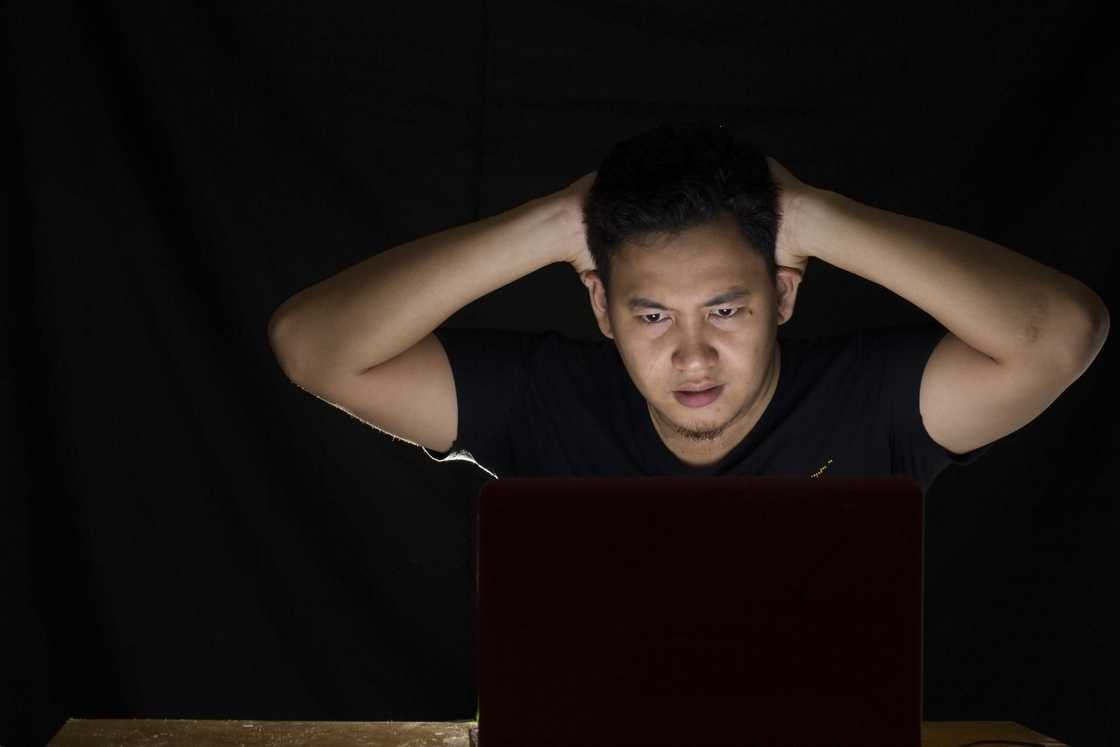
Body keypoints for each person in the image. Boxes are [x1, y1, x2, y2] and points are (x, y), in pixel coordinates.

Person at [268, 121, 1107, 495]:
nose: (694, 357)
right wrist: (557, 223)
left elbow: (1063, 334)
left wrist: (808, 214)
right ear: (601, 306)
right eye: (652, 315)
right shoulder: (545, 401)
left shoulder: (872, 403)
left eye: (727, 309)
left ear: (782, 291)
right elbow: (312, 347)